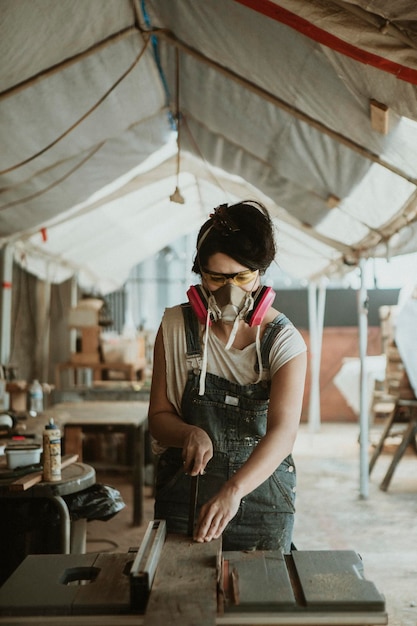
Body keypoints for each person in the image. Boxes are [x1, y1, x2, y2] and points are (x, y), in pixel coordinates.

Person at [148, 200, 307, 552]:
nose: (228, 290)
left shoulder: (282, 340)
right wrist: (189, 432)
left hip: (263, 499)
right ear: (200, 273)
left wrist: (233, 490)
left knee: (261, 597)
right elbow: (158, 419)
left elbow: (284, 432)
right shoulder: (175, 328)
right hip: (185, 496)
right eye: (216, 277)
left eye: (242, 277)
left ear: (261, 273)